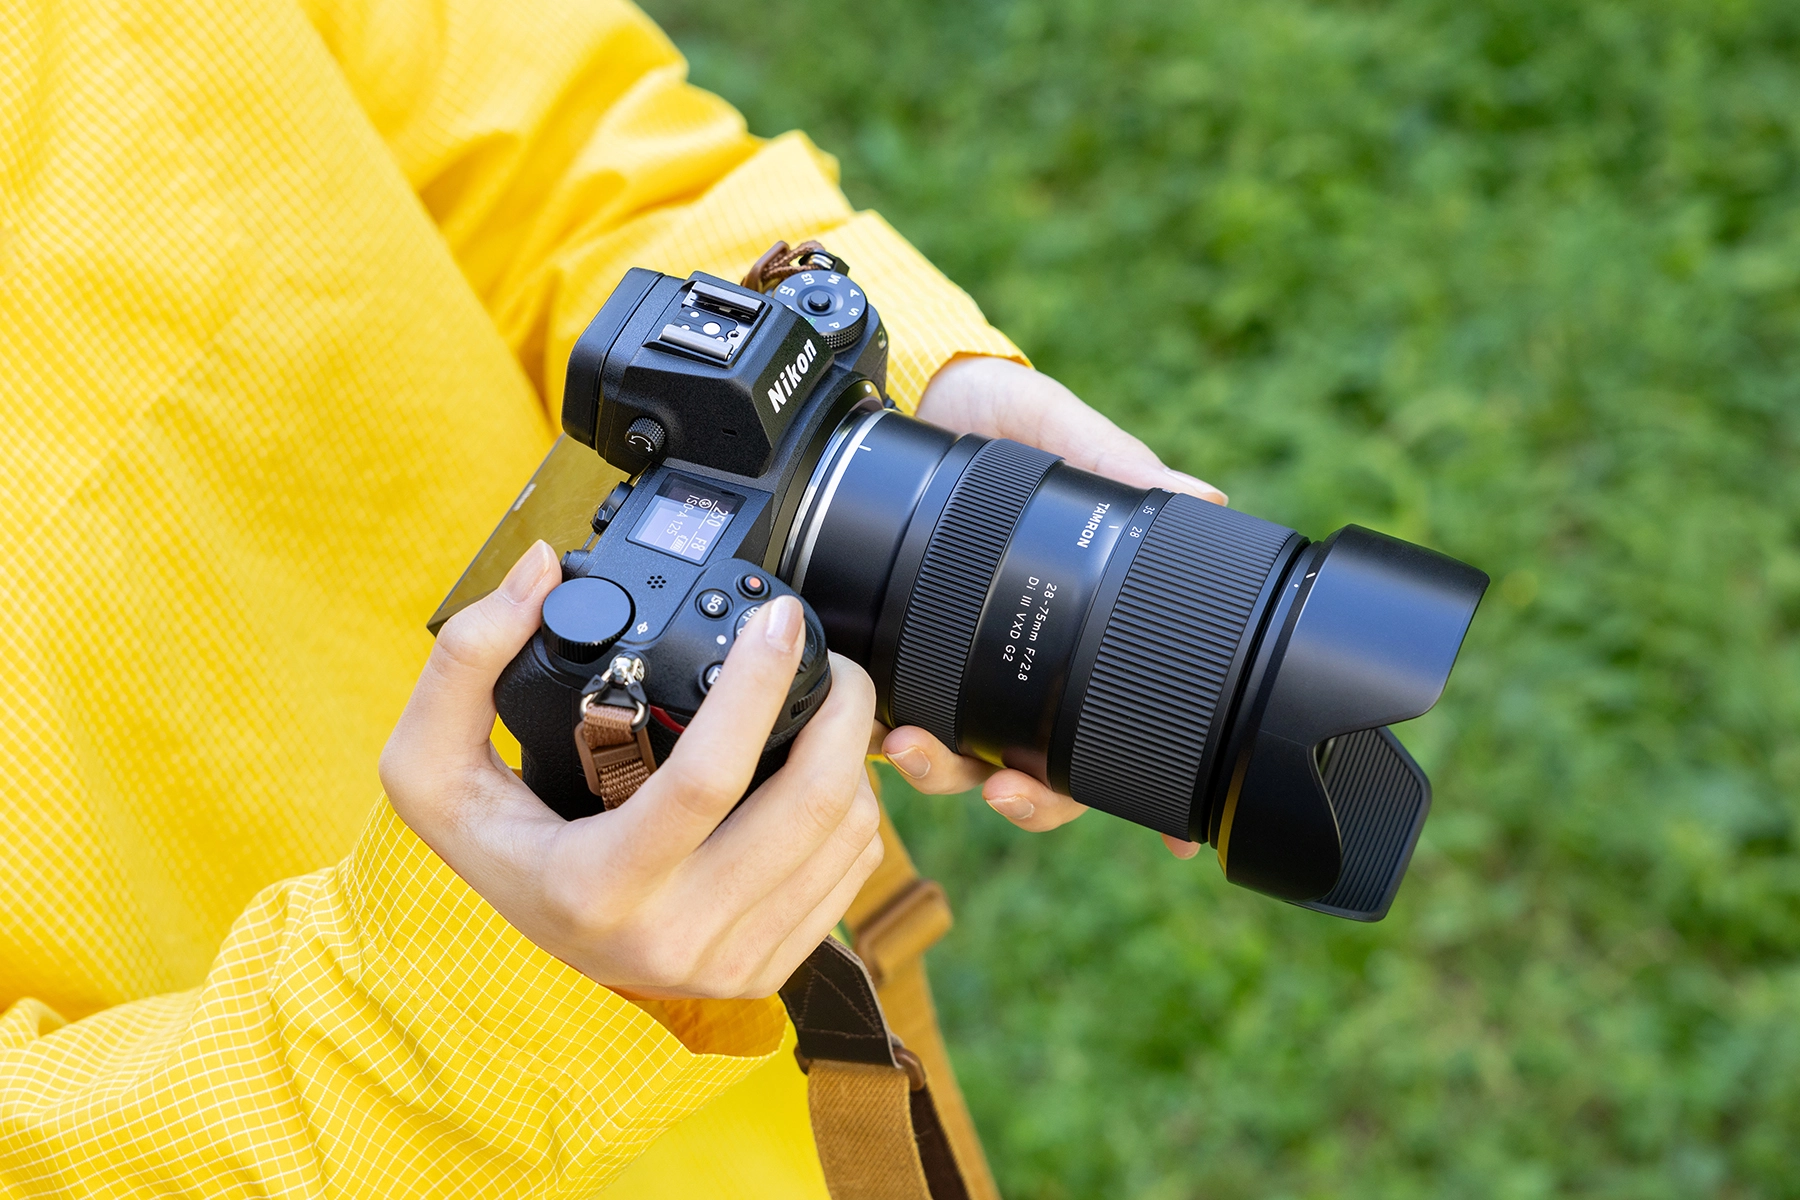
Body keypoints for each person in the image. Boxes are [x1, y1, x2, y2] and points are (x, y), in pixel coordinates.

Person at [0, 0, 1223, 1195]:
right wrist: (456, 1018)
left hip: (757, 1033)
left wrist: (901, 390)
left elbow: (535, 132)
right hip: (397, 1090)